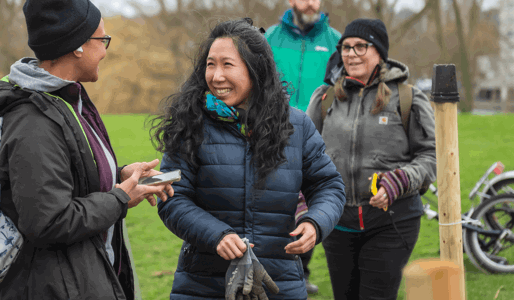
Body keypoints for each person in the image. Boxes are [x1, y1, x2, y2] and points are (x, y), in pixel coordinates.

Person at [0, 1, 174, 299]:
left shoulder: (68, 100)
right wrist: (120, 197)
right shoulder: (32, 120)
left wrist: (120, 176)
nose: (106, 51)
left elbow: (68, 175)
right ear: (77, 45)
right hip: (52, 289)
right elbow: (48, 221)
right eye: (102, 40)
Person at [150, 18, 346, 299]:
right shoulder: (190, 123)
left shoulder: (297, 125)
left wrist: (316, 222)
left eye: (227, 65)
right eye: (210, 64)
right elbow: (172, 199)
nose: (216, 76)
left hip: (280, 284)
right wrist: (217, 235)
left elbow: (329, 186)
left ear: (256, 69)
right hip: (204, 285)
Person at [305, 18, 436, 300]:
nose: (351, 54)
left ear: (379, 52)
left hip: (392, 221)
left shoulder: (408, 98)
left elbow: (430, 156)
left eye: (360, 47)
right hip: (338, 221)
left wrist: (400, 181)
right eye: (346, 47)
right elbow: (304, 154)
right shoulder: (325, 98)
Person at [265, 1, 341, 293]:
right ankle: (274, 264)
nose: (310, 2)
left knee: (310, 201)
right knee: (277, 201)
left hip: (316, 136)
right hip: (273, 132)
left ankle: (301, 270)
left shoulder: (335, 41)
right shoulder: (271, 38)